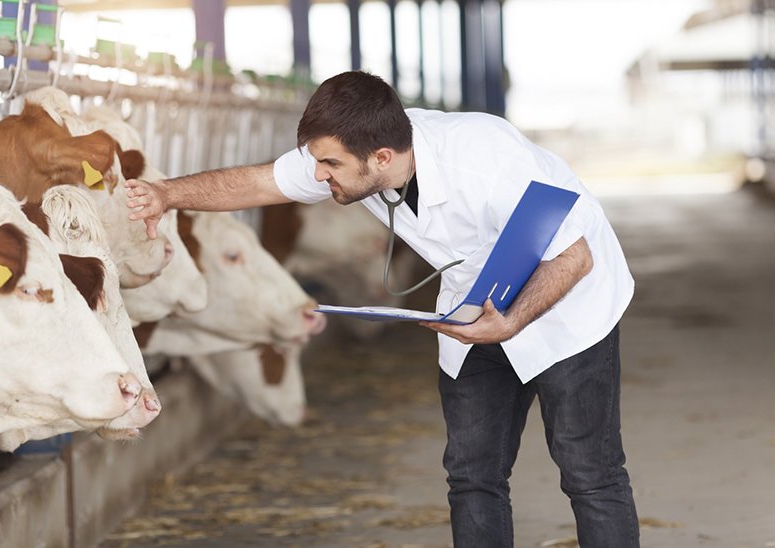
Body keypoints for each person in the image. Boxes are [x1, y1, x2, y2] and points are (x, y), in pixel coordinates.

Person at [125, 70, 639, 547]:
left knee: (589, 472)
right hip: (475, 302)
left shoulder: (485, 157)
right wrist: (166, 194)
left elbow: (574, 255)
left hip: (569, 308)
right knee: (472, 473)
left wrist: (511, 322)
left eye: (330, 166)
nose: (320, 176)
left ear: (383, 157)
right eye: (318, 163)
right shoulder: (354, 153)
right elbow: (260, 182)